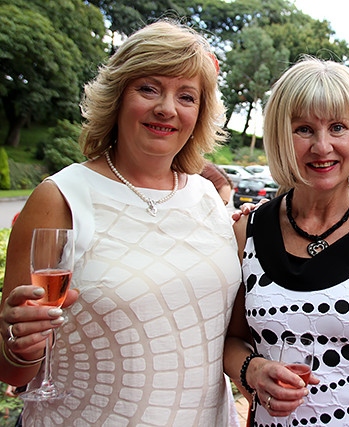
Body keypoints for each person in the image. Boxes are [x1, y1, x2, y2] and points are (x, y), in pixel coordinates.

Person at [0, 20, 242, 426]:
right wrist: (19, 347)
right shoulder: (62, 197)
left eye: (186, 96)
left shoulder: (208, 200)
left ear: (199, 114)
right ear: (117, 96)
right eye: (148, 88)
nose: (167, 108)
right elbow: (12, 370)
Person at [224, 57, 349, 426]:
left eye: (338, 127)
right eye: (303, 129)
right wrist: (252, 370)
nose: (322, 147)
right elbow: (231, 339)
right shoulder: (247, 231)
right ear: (279, 136)